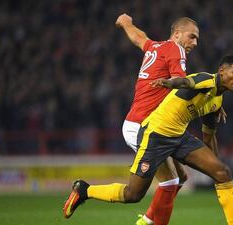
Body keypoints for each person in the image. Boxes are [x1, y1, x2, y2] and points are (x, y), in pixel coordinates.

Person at [63, 55, 233, 225]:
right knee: (133, 194)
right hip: (155, 135)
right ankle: (85, 190)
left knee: (223, 172)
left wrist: (214, 165)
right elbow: (185, 81)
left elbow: (209, 136)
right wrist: (169, 83)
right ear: (221, 71)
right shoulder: (206, 80)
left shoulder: (217, 102)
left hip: (179, 136)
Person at [63, 13, 200, 225]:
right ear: (177, 34)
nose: (195, 42)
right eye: (192, 37)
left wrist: (126, 23)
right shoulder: (175, 49)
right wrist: (205, 90)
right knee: (148, 189)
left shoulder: (156, 47)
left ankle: (144, 219)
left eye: (197, 39)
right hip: (143, 127)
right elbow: (180, 81)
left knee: (179, 177)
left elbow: (139, 38)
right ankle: (86, 191)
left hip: (151, 125)